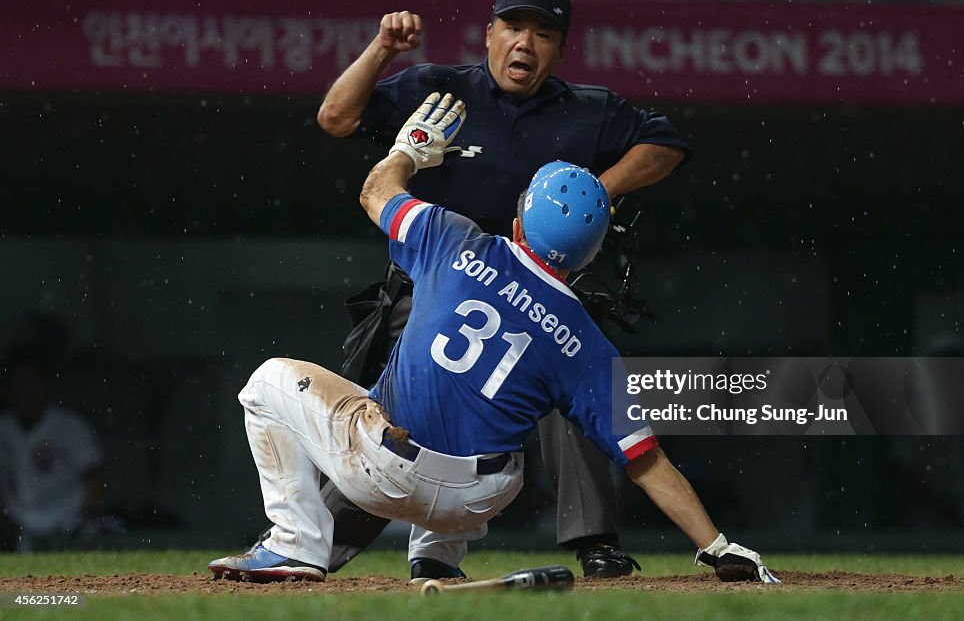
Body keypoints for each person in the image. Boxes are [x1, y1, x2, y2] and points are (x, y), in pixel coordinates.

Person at [210, 94, 776, 585]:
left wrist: (409, 150)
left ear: (520, 221)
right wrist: (715, 541)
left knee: (267, 381)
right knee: (497, 437)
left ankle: (295, 543)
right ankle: (436, 557)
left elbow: (373, 192)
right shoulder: (586, 341)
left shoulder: (455, 239)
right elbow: (645, 460)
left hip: (384, 470)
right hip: (477, 500)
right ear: (589, 255)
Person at [307, 0, 690, 580]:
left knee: (575, 375)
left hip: (535, 292)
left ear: (561, 51)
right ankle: (317, 545)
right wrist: (383, 48)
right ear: (489, 35)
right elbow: (335, 117)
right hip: (433, 287)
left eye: (544, 35)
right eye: (514, 28)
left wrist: (599, 189)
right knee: (399, 417)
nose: (526, 44)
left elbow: (665, 144)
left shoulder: (587, 110)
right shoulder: (439, 89)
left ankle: (593, 540)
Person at [0, 347, 104, 551]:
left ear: (44, 384)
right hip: (22, 529)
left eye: (30, 381)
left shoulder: (69, 426)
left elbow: (96, 482)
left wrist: (83, 524)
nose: (24, 390)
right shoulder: (3, 427)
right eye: (17, 382)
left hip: (67, 525)